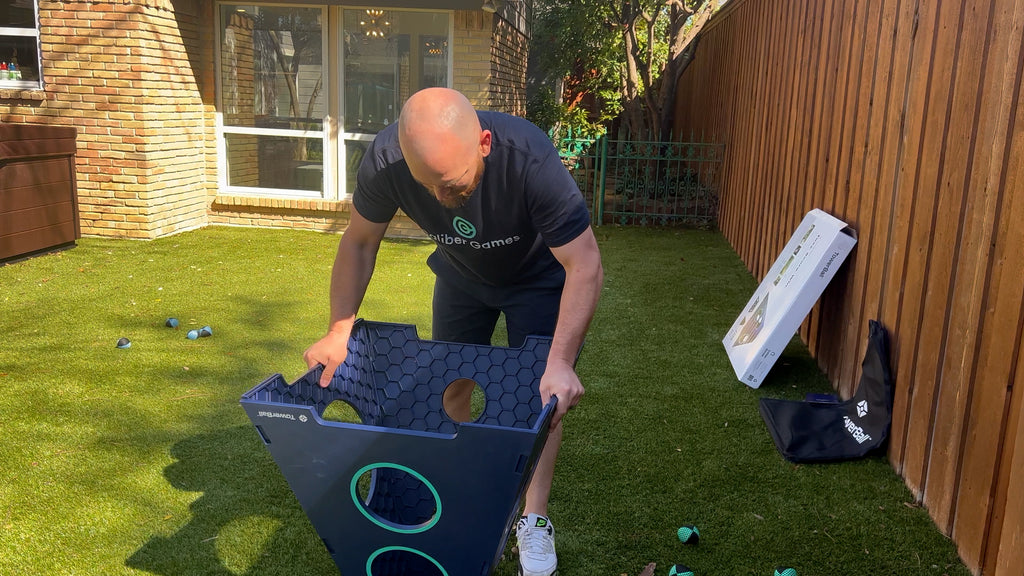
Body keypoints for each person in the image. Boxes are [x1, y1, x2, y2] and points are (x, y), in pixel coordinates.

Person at [303, 87, 603, 576]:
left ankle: (534, 518)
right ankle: (459, 490)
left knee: (539, 402)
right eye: (429, 187)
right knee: (451, 385)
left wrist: (562, 361)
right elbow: (358, 243)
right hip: (463, 277)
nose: (443, 199)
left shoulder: (528, 158)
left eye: (452, 182)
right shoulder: (385, 162)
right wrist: (339, 330)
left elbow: (584, 263)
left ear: (484, 142)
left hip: (539, 279)